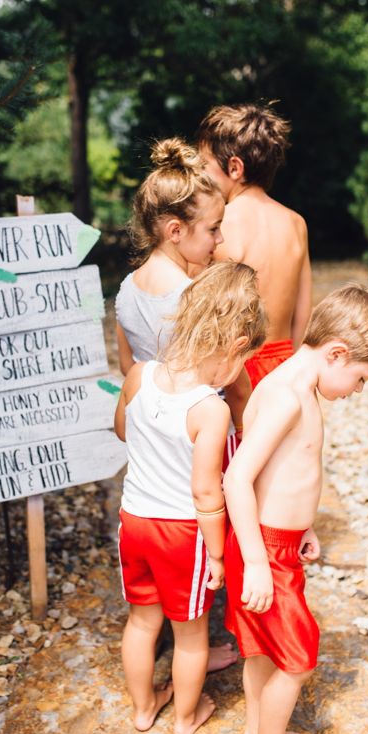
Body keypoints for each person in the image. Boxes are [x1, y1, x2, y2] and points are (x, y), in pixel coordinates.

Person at [223, 285, 368, 734]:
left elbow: (283, 475)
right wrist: (258, 562)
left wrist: (301, 528)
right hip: (262, 549)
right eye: (362, 378)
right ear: (337, 353)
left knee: (264, 649)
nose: (359, 389)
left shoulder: (297, 387)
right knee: (299, 655)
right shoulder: (286, 397)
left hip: (278, 541)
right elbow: (237, 478)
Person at [114, 262, 267, 734]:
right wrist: (218, 553)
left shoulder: (140, 374)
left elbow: (121, 429)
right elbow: (206, 492)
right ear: (237, 347)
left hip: (133, 520)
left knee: (141, 623)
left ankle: (143, 709)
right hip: (182, 533)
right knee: (190, 632)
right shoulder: (211, 409)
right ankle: (185, 717)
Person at [115, 138, 251, 672]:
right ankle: (198, 642)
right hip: (199, 435)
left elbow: (130, 369)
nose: (219, 242)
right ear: (176, 231)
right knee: (204, 554)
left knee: (150, 587)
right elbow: (225, 378)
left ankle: (169, 654)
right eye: (213, 229)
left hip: (150, 441)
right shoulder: (196, 298)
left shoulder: (126, 290)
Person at [197, 102, 312, 388]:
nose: (199, 175)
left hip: (235, 370)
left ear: (234, 167)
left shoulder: (219, 225)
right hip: (284, 362)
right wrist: (295, 371)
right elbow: (303, 311)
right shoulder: (296, 223)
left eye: (203, 166)